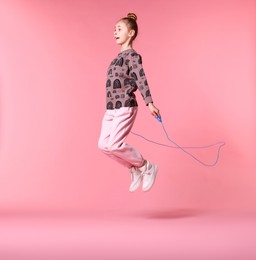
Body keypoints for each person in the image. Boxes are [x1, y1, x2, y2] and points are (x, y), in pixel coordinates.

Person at [98, 13, 161, 192]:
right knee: (103, 145)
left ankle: (146, 166)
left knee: (114, 145)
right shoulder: (116, 59)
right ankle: (134, 168)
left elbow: (141, 79)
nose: (115, 32)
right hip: (110, 109)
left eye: (119, 29)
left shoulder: (133, 56)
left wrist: (149, 103)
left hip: (125, 106)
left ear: (131, 33)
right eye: (114, 29)